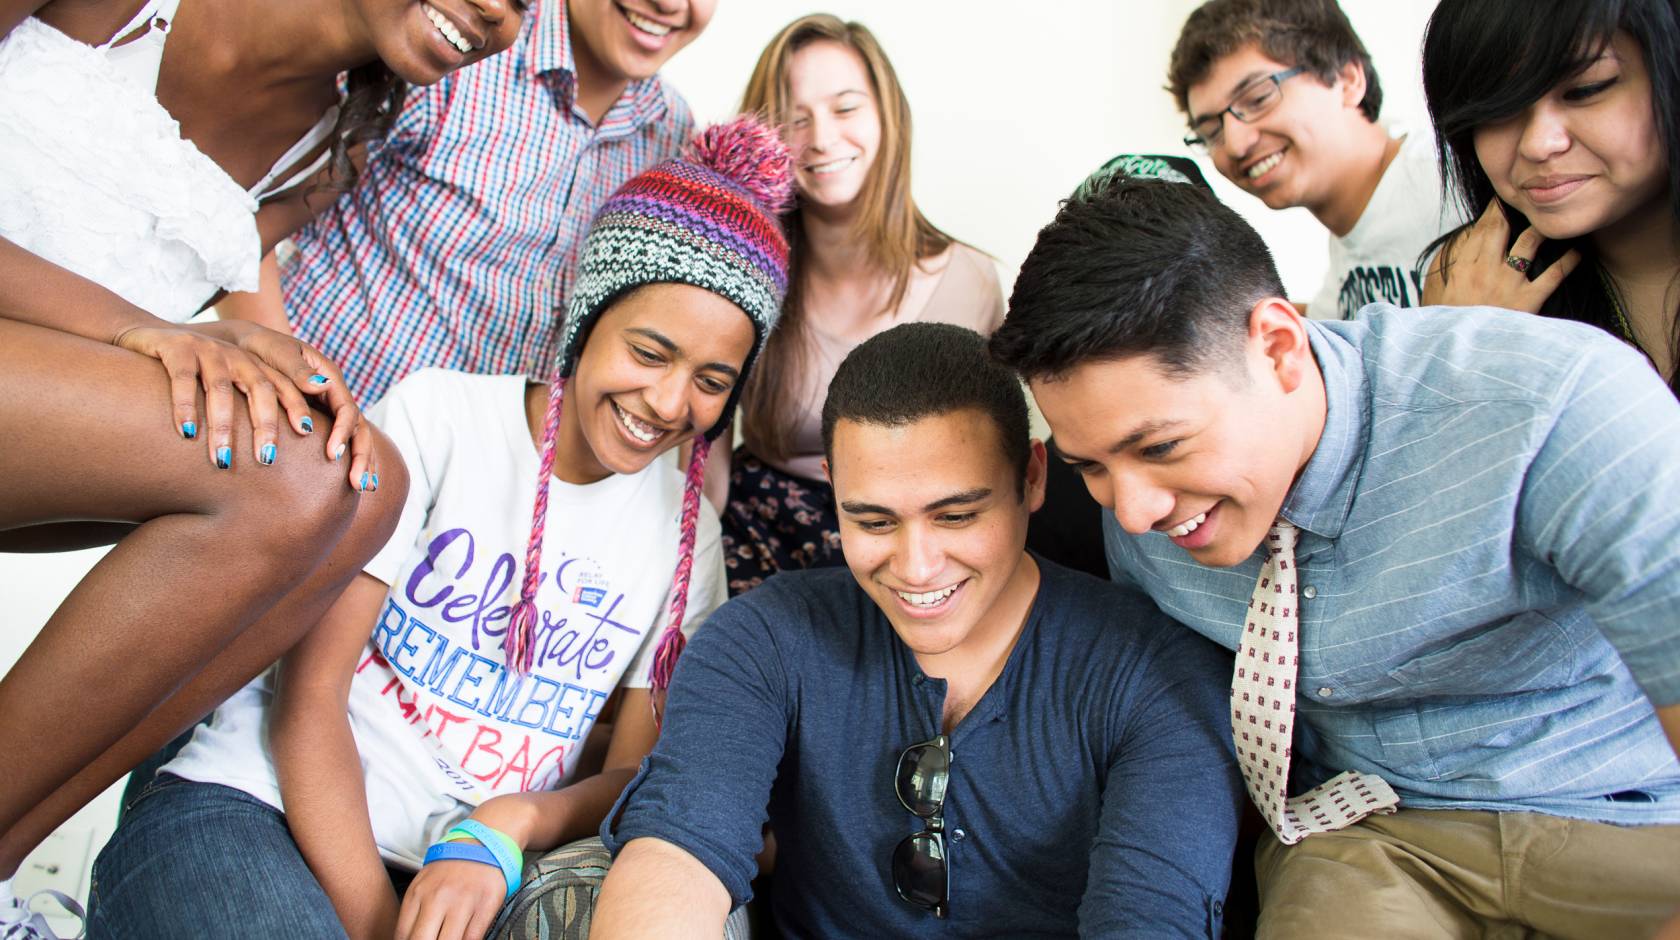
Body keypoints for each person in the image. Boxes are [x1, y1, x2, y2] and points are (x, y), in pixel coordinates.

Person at [85, 117, 792, 940]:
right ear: (588, 314)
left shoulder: (686, 535)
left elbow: (634, 774)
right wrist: (378, 921)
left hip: (469, 874)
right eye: (649, 352)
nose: (670, 403)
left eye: (712, 380)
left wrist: (511, 820)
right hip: (262, 809)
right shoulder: (438, 418)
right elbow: (307, 702)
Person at [991, 175, 1680, 938]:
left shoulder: (1550, 402)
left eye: (1160, 448)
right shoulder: (1144, 514)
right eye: (1090, 465)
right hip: (1371, 833)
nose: (1133, 512)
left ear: (1278, 348)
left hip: (1624, 812)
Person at [0, 0, 522, 926]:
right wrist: (135, 328)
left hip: (30, 420)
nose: (497, 9)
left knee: (362, 485)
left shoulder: (332, 141)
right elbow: (134, 322)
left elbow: (240, 304)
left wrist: (289, 373)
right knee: (296, 477)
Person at [591, 322, 1243, 938]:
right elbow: (674, 853)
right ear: (834, 489)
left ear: (1032, 477)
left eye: (956, 516)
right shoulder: (763, 639)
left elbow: (1151, 916)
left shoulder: (1161, 675)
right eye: (874, 522)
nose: (916, 566)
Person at [220, 0, 716, 405]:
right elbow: (242, 203)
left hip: (461, 479)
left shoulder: (673, 137)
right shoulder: (457, 35)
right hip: (316, 423)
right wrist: (294, 391)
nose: (669, 3)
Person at [717, 13, 1005, 596]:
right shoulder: (742, 274)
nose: (822, 138)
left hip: (919, 557)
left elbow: (999, 468)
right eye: (795, 119)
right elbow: (705, 470)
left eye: (845, 108)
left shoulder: (972, 281)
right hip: (760, 543)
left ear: (887, 115)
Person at [1420, 0, 1679, 397]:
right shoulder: (1469, 283)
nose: (1538, 144)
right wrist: (1470, 354)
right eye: (1499, 109)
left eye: (1585, 90)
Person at [1168, 0, 1466, 320]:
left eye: (1258, 99)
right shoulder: (1349, 252)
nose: (1236, 145)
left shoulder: (1452, 187)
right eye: (1212, 131)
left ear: (1347, 80)